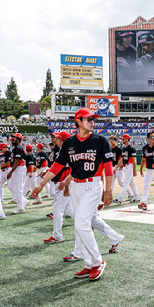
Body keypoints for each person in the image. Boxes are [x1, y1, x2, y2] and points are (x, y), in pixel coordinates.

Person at [31, 108, 120, 281]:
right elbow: (57, 165)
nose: (92, 122)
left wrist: (108, 190)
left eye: (93, 119)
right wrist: (41, 184)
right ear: (78, 121)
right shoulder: (69, 142)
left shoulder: (100, 140)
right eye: (88, 119)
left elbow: (108, 167)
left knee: (81, 224)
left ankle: (97, 261)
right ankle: (88, 264)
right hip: (76, 187)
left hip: (93, 186)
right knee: (81, 226)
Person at [7, 133, 30, 214]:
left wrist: (10, 172)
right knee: (10, 186)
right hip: (17, 169)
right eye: (12, 138)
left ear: (18, 140)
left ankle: (21, 208)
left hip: (19, 168)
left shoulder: (19, 148)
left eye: (14, 138)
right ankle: (24, 200)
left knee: (18, 188)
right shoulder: (15, 148)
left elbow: (17, 161)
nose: (12, 140)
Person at [115, 134, 140, 204]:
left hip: (130, 166)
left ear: (127, 139)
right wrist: (117, 166)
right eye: (122, 139)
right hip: (126, 167)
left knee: (125, 183)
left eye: (123, 139)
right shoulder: (124, 148)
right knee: (132, 183)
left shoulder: (131, 148)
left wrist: (135, 170)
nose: (122, 140)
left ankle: (120, 199)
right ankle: (137, 198)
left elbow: (134, 160)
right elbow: (122, 158)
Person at [109, 135, 133, 200]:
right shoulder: (111, 149)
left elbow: (122, 158)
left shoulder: (119, 149)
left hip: (118, 167)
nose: (111, 141)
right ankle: (110, 196)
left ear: (116, 141)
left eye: (112, 140)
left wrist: (120, 165)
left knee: (121, 182)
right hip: (113, 166)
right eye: (110, 140)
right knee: (112, 182)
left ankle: (130, 193)